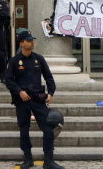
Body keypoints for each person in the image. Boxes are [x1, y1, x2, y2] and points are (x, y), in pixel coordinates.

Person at [5, 31, 64, 169]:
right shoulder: (14, 61)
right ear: (21, 43)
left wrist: (50, 93)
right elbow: (8, 81)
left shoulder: (39, 59)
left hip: (38, 99)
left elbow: (49, 78)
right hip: (22, 100)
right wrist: (19, 91)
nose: (32, 42)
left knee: (48, 128)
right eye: (29, 40)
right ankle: (28, 159)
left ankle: (49, 160)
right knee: (24, 130)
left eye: (32, 40)